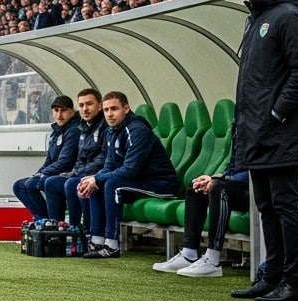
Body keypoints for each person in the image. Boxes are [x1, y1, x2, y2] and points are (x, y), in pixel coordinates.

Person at [230, 0, 298, 301]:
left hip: (279, 131)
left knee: (285, 205)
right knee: (265, 206)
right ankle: (273, 274)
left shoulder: (289, 17)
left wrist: (277, 114)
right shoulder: (256, 19)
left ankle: (294, 283)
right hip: (256, 132)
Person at [78, 91, 177, 259]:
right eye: (106, 110)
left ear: (126, 108)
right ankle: (97, 240)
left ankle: (112, 245)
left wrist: (98, 178)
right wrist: (93, 179)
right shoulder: (111, 131)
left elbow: (130, 169)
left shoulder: (137, 130)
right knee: (95, 184)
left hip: (160, 184)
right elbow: (109, 165)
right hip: (138, 182)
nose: (109, 114)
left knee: (112, 184)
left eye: (114, 109)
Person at [152, 142, 249, 278]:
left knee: (218, 187)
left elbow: (256, 168)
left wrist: (221, 179)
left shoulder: (256, 124)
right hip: (236, 183)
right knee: (196, 188)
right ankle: (189, 254)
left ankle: (213, 260)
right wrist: (216, 177)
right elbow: (234, 165)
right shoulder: (239, 124)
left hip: (255, 186)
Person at [45, 88, 105, 228]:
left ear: (100, 105)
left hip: (98, 175)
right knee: (51, 183)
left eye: (89, 104)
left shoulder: (104, 126)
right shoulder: (84, 127)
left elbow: (104, 158)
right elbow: (80, 157)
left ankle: (80, 229)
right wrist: (41, 172)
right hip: (84, 173)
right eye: (82, 105)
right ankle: (53, 228)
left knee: (72, 184)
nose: (85, 109)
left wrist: (81, 173)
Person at [11, 95, 78, 219]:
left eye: (63, 110)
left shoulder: (74, 130)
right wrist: (39, 173)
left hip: (66, 174)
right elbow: (49, 160)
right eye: (56, 110)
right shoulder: (56, 131)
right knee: (18, 186)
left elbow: (65, 162)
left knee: (33, 184)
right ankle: (42, 219)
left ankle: (50, 222)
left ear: (71, 111)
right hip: (52, 173)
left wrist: (42, 174)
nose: (59, 115)